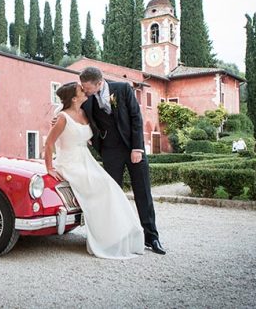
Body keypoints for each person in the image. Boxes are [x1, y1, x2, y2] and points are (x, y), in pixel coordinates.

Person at [44, 82, 144, 259]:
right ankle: (104, 238)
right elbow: (49, 143)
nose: (85, 91)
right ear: (74, 98)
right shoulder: (62, 118)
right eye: (81, 90)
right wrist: (50, 167)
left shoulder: (85, 112)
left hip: (86, 160)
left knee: (110, 186)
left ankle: (118, 234)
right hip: (70, 163)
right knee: (100, 187)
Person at [78, 66, 165, 255]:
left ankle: (152, 237)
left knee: (143, 193)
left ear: (99, 83)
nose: (84, 90)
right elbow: (72, 112)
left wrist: (137, 148)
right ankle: (116, 237)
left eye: (87, 87)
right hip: (110, 151)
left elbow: (136, 117)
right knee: (112, 196)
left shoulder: (123, 89)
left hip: (133, 148)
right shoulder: (86, 100)